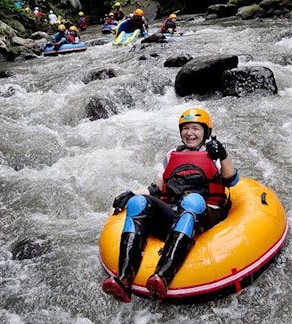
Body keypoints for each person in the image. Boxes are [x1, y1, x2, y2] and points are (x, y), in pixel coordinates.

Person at [102, 108, 239, 303]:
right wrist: (132, 194)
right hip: (176, 214)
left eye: (195, 129)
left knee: (192, 200)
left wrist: (223, 154)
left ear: (206, 132)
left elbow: (232, 180)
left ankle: (163, 276)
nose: (189, 133)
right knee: (138, 203)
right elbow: (157, 188)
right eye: (185, 129)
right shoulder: (172, 155)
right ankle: (124, 280)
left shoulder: (215, 153)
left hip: (206, 213)